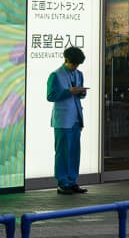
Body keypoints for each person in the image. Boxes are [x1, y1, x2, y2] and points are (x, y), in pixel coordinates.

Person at [46, 46, 88, 194]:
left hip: (76, 118)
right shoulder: (55, 75)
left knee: (75, 151)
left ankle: (72, 181)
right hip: (63, 119)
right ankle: (62, 182)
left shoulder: (79, 74)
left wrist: (81, 92)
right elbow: (50, 96)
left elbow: (80, 96)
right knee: (63, 151)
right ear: (66, 60)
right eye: (74, 64)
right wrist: (68, 92)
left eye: (78, 65)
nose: (75, 67)